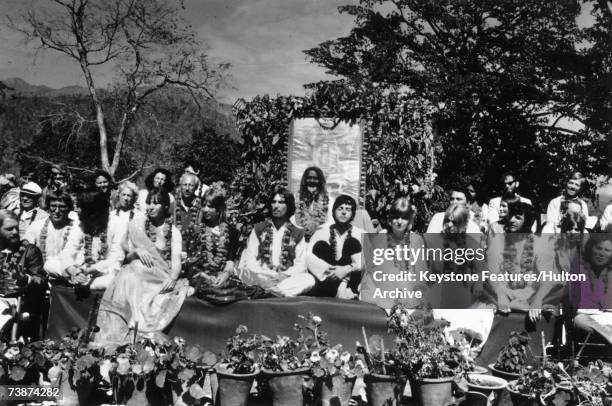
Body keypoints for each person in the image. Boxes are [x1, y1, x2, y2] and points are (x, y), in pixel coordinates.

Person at [95, 188, 191, 344]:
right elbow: (127, 258)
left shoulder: (173, 232)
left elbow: (176, 263)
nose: (150, 207)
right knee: (130, 272)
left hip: (160, 277)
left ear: (166, 207)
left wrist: (173, 278)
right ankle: (121, 330)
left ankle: (140, 329)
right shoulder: (136, 225)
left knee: (134, 273)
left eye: (156, 203)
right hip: (136, 274)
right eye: (148, 203)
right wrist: (137, 251)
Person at [238, 186, 315, 297]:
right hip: (261, 276)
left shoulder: (298, 232)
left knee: (309, 279)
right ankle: (275, 292)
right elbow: (250, 259)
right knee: (243, 273)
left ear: (288, 206)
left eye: (281, 202)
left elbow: (301, 264)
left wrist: (283, 275)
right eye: (274, 202)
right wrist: (263, 275)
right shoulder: (259, 228)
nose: (276, 206)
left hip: (284, 279)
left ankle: (269, 292)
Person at [361, 197, 428, 308]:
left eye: (404, 218)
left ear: (410, 220)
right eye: (396, 217)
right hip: (383, 289)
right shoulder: (381, 238)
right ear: (390, 219)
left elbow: (421, 273)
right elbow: (374, 272)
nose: (399, 222)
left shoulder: (416, 240)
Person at [60, 190, 127, 290]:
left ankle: (83, 283)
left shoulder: (117, 223)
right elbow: (68, 251)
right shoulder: (80, 224)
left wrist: (90, 270)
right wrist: (73, 271)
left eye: (79, 207)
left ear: (91, 210)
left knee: (112, 280)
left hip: (103, 271)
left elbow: (116, 257)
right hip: (79, 268)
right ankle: (80, 281)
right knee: (50, 264)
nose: (75, 209)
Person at [307, 194, 365, 298]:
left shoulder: (361, 233)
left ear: (352, 214)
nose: (344, 212)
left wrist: (346, 269)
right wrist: (331, 271)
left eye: (348, 209)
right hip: (326, 282)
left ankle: (344, 291)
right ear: (333, 212)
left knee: (352, 243)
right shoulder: (320, 233)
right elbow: (308, 257)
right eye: (340, 208)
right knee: (320, 245)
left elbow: (371, 260)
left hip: (348, 285)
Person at [0, 210, 46, 339]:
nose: (15, 232)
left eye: (16, 228)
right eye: (9, 229)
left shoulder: (30, 251)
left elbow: (41, 280)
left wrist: (26, 279)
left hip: (21, 303)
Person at [186, 183, 240, 286]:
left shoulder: (231, 231)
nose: (205, 209)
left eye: (210, 206)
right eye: (204, 205)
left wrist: (225, 275)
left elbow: (230, 260)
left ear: (219, 208)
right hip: (199, 277)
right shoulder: (197, 230)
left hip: (222, 278)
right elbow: (191, 262)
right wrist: (206, 277)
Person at [24, 190, 80, 280]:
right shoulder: (36, 225)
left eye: (62, 207)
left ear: (69, 209)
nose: (57, 211)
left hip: (70, 276)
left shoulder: (77, 227)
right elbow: (26, 244)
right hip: (41, 277)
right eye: (53, 206)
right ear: (48, 207)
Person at [571, 235, 612, 310]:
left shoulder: (610, 273)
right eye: (599, 248)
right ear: (590, 248)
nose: (602, 254)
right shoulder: (577, 268)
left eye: (607, 250)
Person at [293, 166, 329, 241]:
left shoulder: (327, 199)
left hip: (320, 237)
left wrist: (315, 228)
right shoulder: (297, 198)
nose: (312, 181)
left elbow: (327, 221)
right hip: (300, 237)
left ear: (320, 180)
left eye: (315, 178)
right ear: (305, 180)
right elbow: (295, 219)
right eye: (309, 177)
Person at [174, 172, 203, 255]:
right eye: (184, 184)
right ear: (180, 186)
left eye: (191, 185)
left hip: (194, 251)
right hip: (175, 249)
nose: (187, 188)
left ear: (196, 187)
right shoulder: (173, 204)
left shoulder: (202, 206)